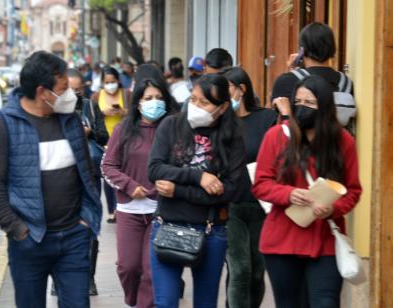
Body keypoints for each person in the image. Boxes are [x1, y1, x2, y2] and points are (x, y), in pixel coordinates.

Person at [0, 51, 102, 308]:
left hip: (73, 238)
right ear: (43, 92)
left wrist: (86, 221)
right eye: (63, 89)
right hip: (30, 242)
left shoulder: (70, 121)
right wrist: (18, 231)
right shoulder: (3, 125)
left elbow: (86, 172)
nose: (71, 95)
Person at [252, 75, 362, 308]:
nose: (302, 108)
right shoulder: (277, 136)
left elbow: (353, 191)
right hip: (281, 241)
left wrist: (334, 208)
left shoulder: (344, 142)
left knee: (326, 302)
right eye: (298, 102)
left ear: (324, 108)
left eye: (310, 103)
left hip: (325, 240)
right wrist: (288, 194)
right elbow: (261, 184)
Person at [148, 74, 245, 308]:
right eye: (193, 99)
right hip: (167, 226)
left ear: (222, 107)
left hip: (211, 231)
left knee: (205, 303)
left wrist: (178, 191)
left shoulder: (232, 137)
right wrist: (198, 177)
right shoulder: (171, 125)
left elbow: (230, 190)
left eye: (204, 102)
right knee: (166, 302)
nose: (196, 106)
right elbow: (155, 169)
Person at [102, 75, 179, 308]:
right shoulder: (124, 129)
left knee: (151, 270)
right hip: (129, 210)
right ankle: (134, 301)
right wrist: (129, 185)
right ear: (138, 102)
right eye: (148, 98)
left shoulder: (173, 129)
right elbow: (108, 166)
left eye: (159, 98)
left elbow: (183, 166)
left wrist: (171, 185)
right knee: (128, 266)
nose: (154, 102)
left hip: (162, 210)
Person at [222, 67, 276, 308]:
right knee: (240, 270)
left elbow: (282, 148)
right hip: (230, 206)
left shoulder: (265, 118)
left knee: (256, 273)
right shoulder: (220, 121)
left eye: (227, 90)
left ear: (241, 89)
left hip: (260, 206)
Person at [70, 67, 109, 295]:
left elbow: (105, 137)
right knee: (66, 228)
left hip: (91, 174)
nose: (75, 94)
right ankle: (59, 279)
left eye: (79, 89)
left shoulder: (91, 106)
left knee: (91, 225)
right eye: (70, 89)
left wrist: (90, 133)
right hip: (66, 178)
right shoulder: (56, 110)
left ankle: (89, 278)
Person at [271, 23, 354, 122]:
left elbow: (276, 120)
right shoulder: (347, 83)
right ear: (332, 49)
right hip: (336, 136)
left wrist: (289, 72)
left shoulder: (286, 81)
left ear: (302, 51)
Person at [92, 66, 131, 223]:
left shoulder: (127, 94)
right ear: (102, 82)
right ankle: (112, 210)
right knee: (108, 175)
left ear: (118, 81)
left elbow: (135, 112)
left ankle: (121, 206)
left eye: (113, 81)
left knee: (123, 173)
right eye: (107, 82)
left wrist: (124, 112)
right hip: (104, 141)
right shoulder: (96, 97)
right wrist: (103, 113)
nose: (110, 85)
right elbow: (92, 117)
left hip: (124, 140)